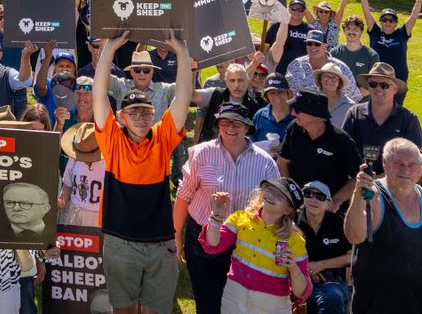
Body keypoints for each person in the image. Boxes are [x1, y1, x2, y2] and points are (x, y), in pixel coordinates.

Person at [93, 29, 193, 314]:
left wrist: (182, 52)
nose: (140, 118)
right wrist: (109, 50)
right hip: (120, 242)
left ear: (154, 116)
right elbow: (99, 95)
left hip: (159, 244)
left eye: (146, 113)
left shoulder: (162, 139)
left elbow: (183, 98)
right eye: (133, 113)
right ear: (121, 117)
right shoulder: (112, 139)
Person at [174, 103, 280, 314]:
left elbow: (275, 205)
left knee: (240, 303)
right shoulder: (200, 153)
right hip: (203, 236)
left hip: (245, 241)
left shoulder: (265, 162)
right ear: (218, 125)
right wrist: (176, 237)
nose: (231, 127)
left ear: (247, 127)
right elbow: (184, 196)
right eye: (226, 122)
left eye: (237, 123)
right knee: (207, 302)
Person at [200, 176, 312, 313]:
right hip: (234, 299)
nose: (272, 195)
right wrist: (216, 216)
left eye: (280, 196)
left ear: (287, 211)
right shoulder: (240, 218)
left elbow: (302, 292)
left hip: (272, 307)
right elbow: (213, 245)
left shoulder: (294, 240)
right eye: (270, 189)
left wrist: (294, 268)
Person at [343, 137, 422, 314]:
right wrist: (358, 194)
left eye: (411, 164)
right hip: (375, 306)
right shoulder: (373, 195)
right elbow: (354, 236)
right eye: (399, 163)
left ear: (419, 169)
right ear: (384, 164)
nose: (406, 169)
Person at [276, 90, 360, 207]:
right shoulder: (293, 129)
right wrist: (291, 194)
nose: (293, 114)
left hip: (329, 212)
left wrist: (336, 201)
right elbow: (282, 162)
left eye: (297, 110)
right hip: (298, 207)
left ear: (315, 115)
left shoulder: (341, 139)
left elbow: (358, 176)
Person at [340, 62, 422, 175]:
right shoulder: (354, 113)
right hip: (358, 179)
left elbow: (414, 159)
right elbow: (343, 150)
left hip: (395, 182)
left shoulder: (409, 119)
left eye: (384, 85)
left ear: (394, 89)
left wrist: (381, 181)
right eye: (373, 84)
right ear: (368, 87)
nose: (378, 89)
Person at [297, 181, 351, 314]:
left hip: (332, 281)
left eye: (320, 197)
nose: (313, 199)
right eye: (308, 194)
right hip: (297, 279)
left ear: (328, 203)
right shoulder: (292, 221)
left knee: (331, 298)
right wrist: (305, 270)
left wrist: (320, 265)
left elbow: (352, 256)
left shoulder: (339, 222)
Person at [358, 0, 422, 90]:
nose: (388, 23)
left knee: (396, 107)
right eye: (384, 20)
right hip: (377, 80)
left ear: (396, 23)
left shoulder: (401, 34)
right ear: (380, 22)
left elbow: (414, 16)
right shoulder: (375, 32)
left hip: (398, 79)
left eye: (391, 20)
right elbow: (366, 11)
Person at [278, 29, 361, 104]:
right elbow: (287, 94)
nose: (312, 47)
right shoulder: (295, 65)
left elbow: (354, 98)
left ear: (326, 46)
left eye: (317, 44)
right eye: (309, 43)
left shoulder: (341, 68)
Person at [194, 63, 264, 143]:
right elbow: (192, 95)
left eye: (240, 80)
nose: (236, 85)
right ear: (226, 82)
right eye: (232, 80)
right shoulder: (216, 94)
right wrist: (193, 71)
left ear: (248, 81)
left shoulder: (256, 102)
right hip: (213, 150)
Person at [58, 121, 104, 226]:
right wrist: (61, 201)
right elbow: (67, 186)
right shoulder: (74, 158)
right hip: (73, 214)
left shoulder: (110, 163)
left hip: (98, 218)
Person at [331, 14, 378, 92]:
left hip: (363, 101)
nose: (351, 32)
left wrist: (354, 97)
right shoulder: (334, 53)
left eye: (355, 29)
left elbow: (374, 83)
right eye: (348, 28)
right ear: (344, 31)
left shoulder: (371, 55)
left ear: (361, 31)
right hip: (339, 99)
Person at [265, 0, 311, 74]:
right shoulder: (276, 26)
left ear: (304, 12)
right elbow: (266, 45)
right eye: (293, 9)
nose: (297, 12)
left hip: (299, 73)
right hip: (276, 70)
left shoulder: (309, 30)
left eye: (300, 9)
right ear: (288, 9)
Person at [251, 74, 295, 153]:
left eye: (280, 92)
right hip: (262, 164)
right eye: (272, 93)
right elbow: (251, 142)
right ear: (266, 96)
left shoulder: (298, 116)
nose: (276, 96)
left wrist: (283, 149)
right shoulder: (260, 115)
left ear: (288, 93)